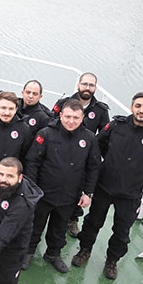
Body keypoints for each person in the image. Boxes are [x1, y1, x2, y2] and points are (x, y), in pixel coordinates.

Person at [71, 92, 143, 280]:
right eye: (138, 106)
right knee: (92, 222)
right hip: (104, 185)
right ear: (132, 107)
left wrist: (134, 173)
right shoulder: (117, 125)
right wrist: (110, 164)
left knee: (122, 231)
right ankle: (84, 250)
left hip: (130, 193)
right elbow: (99, 144)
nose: (141, 110)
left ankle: (112, 261)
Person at [23, 99, 101, 272]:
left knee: (59, 228)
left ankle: (53, 254)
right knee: (35, 225)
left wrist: (88, 192)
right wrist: (32, 189)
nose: (71, 121)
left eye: (75, 117)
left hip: (70, 194)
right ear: (61, 115)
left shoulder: (89, 138)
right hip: (43, 192)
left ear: (82, 118)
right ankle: (28, 251)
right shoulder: (46, 134)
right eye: (67, 117)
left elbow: (93, 167)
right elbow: (32, 162)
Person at [52, 72, 110, 237]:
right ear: (78, 85)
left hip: (83, 157)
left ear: (95, 88)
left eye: (91, 85)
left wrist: (93, 152)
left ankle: (73, 218)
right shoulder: (63, 103)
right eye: (84, 84)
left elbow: (105, 135)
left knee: (78, 187)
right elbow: (51, 124)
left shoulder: (100, 110)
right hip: (59, 152)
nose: (87, 88)